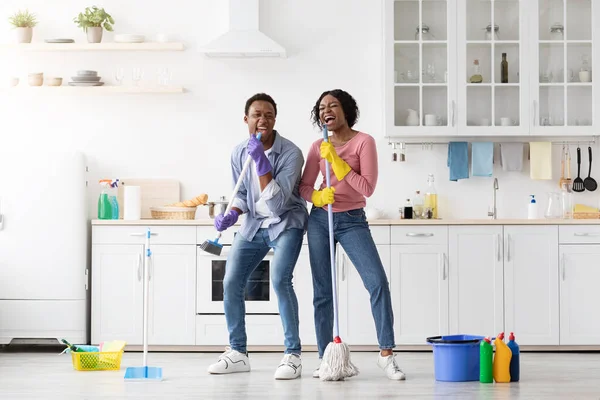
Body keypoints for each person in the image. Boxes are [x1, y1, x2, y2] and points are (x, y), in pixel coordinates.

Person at [299, 89, 405, 381]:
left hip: (352, 221)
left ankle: (386, 355)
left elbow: (367, 188)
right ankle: (326, 359)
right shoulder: (316, 146)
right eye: (321, 108)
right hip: (321, 220)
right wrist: (318, 197)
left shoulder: (363, 142)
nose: (326, 111)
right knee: (323, 292)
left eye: (333, 105)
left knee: (377, 282)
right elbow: (304, 187)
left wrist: (337, 161)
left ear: (346, 110)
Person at [207, 93, 308, 380]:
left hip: (286, 222)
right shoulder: (239, 151)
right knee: (231, 281)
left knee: (279, 279)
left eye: (269, 115)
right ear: (246, 119)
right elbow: (240, 192)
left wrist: (262, 163)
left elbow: (276, 204)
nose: (262, 120)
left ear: (275, 120)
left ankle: (293, 355)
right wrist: (233, 212)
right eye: (256, 115)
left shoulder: (291, 153)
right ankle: (237, 352)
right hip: (253, 225)